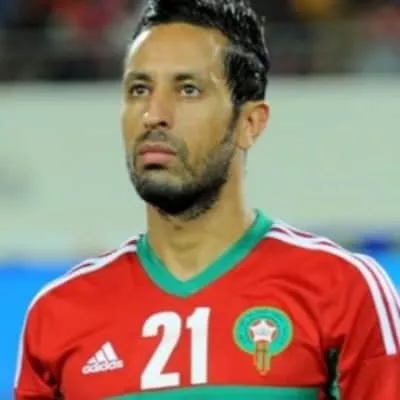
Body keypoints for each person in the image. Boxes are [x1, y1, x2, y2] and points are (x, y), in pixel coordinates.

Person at [14, 0, 400, 399]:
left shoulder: (343, 291)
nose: (153, 114)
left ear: (250, 123)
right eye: (139, 89)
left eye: (188, 90)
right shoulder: (58, 313)